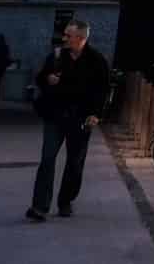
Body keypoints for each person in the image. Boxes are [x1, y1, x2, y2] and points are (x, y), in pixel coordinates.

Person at [27, 20, 110, 222]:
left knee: (74, 163)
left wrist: (96, 114)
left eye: (68, 35)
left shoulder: (97, 60)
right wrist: (48, 79)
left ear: (81, 38)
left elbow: (103, 91)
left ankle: (65, 201)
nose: (64, 38)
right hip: (55, 116)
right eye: (64, 34)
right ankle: (40, 207)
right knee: (47, 159)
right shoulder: (56, 56)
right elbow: (40, 78)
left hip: (80, 119)